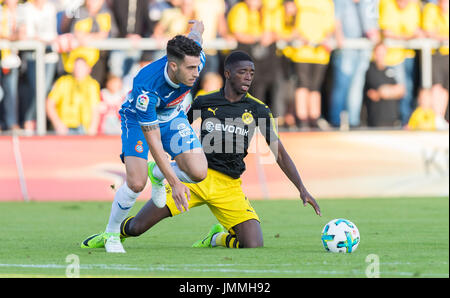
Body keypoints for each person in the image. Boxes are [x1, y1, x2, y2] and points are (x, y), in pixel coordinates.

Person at [83, 51, 321, 251]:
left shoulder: (258, 109)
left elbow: (279, 152)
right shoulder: (204, 102)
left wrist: (302, 188)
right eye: (242, 72)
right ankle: (110, 235)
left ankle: (216, 237)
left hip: (229, 186)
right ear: (227, 74)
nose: (248, 77)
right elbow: (174, 129)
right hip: (193, 179)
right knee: (136, 228)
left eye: (251, 72)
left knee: (253, 244)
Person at [81, 20, 208, 253]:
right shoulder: (146, 88)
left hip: (172, 116)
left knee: (199, 172)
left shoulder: (195, 58)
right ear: (172, 66)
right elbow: (155, 143)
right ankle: (111, 234)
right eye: (190, 69)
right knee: (137, 183)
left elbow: (196, 36)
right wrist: (175, 183)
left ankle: (157, 173)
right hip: (138, 120)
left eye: (197, 67)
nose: (196, 73)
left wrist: (197, 27)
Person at [329, 0, 380, 128]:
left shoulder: (367, 2)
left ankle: (353, 121)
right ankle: (336, 120)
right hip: (346, 48)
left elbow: (371, 21)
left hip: (362, 48)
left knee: (357, 86)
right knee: (342, 84)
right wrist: (339, 36)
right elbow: (336, 18)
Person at [46, 47, 101, 135]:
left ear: (88, 69)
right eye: (77, 66)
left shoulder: (92, 85)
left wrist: (92, 129)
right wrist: (58, 124)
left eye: (82, 66)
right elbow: (50, 104)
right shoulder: (63, 82)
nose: (79, 69)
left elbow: (95, 109)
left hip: (84, 129)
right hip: (64, 128)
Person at [363, 42, 405, 127]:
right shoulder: (370, 71)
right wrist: (392, 91)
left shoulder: (390, 71)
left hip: (394, 121)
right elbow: (377, 93)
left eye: (383, 53)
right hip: (377, 121)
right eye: (379, 53)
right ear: (374, 54)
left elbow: (401, 91)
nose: (381, 56)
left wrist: (386, 91)